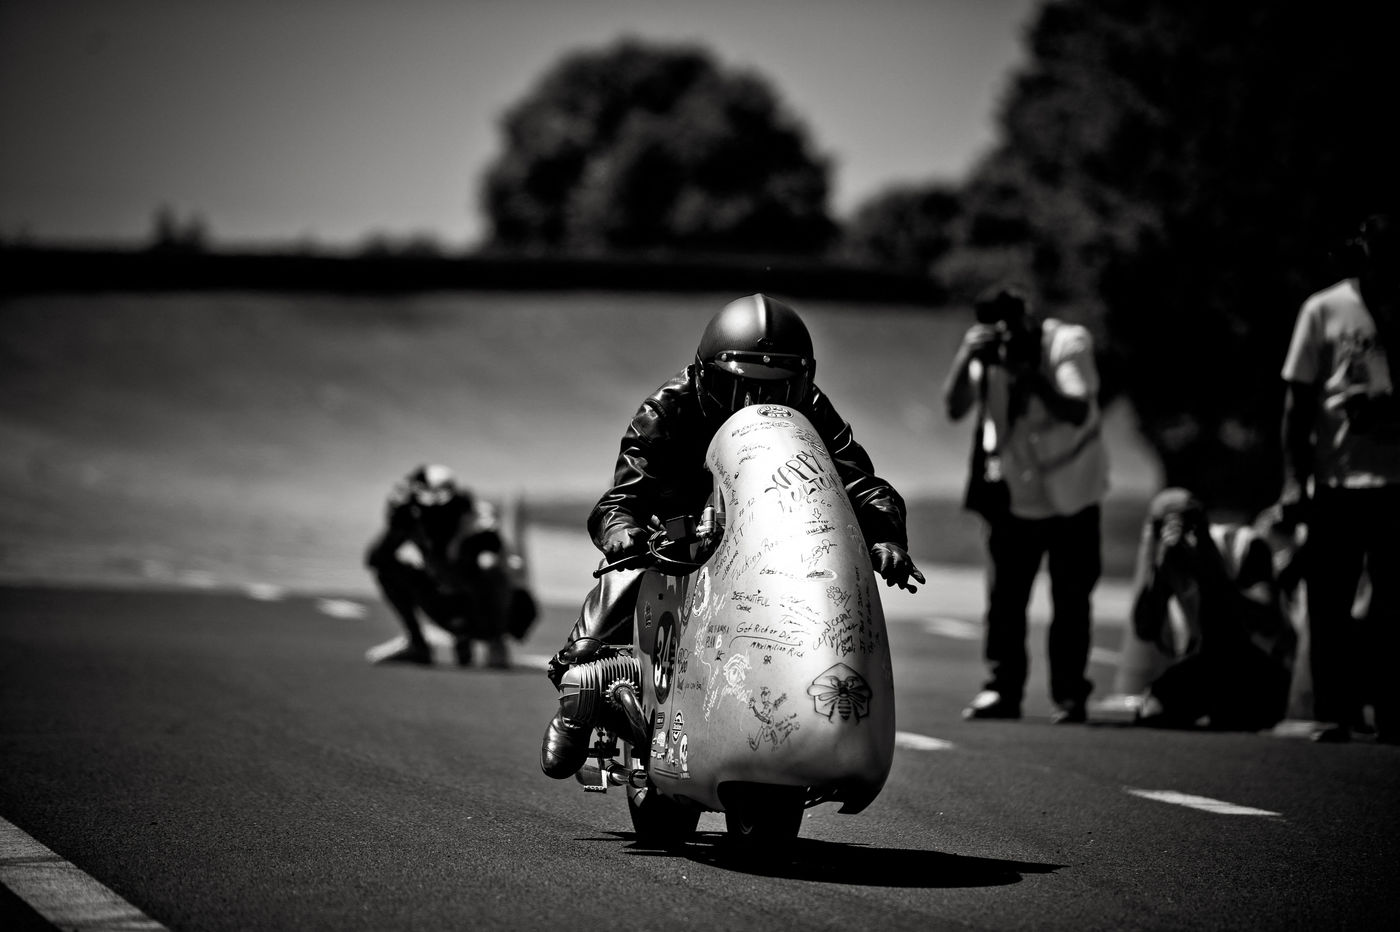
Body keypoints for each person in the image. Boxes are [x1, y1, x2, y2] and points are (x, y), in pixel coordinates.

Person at [539, 293, 925, 778]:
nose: (759, 403)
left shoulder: (814, 408)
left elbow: (861, 483)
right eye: (740, 388)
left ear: (803, 382)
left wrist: (886, 538)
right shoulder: (667, 408)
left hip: (773, 542)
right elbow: (621, 497)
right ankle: (579, 701)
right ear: (706, 377)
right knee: (597, 629)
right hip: (679, 541)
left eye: (778, 390)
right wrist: (622, 530)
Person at [943, 285, 1109, 724]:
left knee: (1072, 598)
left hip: (1073, 491)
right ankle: (1002, 688)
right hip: (1015, 492)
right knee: (1005, 598)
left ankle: (1070, 694)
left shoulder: (1067, 344)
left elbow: (1077, 410)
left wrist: (1030, 376)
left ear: (1031, 320)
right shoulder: (987, 356)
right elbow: (955, 407)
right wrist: (968, 355)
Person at [1272, 212, 1400, 744]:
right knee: (1329, 599)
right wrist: (1293, 480)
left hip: (1395, 483)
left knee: (1393, 602)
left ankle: (1390, 709)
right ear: (1364, 250)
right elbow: (1297, 405)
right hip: (1338, 481)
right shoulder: (1325, 309)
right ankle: (1332, 709)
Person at [1128, 488, 1296, 731]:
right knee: (1153, 710)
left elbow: (1264, 620)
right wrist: (1159, 573)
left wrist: (1206, 566)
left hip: (1255, 664)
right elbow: (1145, 629)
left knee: (1231, 699)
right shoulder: (1167, 559)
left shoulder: (1243, 545)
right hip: (1206, 666)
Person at [365, 464, 517, 669]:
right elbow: (377, 558)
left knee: (490, 570)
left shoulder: (474, 520)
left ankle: (494, 641)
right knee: (388, 569)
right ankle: (417, 643)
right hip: (442, 596)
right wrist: (397, 524)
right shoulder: (415, 516)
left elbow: (493, 568)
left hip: (486, 607)